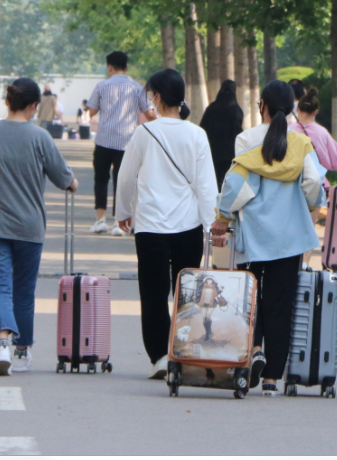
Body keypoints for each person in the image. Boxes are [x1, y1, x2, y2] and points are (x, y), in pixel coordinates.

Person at [0, 78, 77, 376]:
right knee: (24, 291)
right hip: (29, 228)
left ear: (7, 102)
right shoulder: (40, 138)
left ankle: (2, 344)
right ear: (34, 106)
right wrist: (73, 185)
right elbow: (65, 179)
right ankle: (22, 352)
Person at [212, 79, 324, 396]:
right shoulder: (300, 143)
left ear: (262, 104)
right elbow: (314, 183)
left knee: (250, 300)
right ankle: (274, 377)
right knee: (280, 304)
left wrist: (222, 217)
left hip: (254, 236)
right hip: (289, 238)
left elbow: (239, 187)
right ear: (291, 107)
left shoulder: (246, 140)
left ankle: (255, 350)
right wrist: (313, 206)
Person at [114, 68, 218, 379]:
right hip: (187, 227)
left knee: (154, 293)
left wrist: (123, 212)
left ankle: (160, 356)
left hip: (150, 228)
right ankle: (185, 352)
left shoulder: (144, 133)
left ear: (157, 98)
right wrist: (212, 223)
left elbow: (126, 177)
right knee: (188, 293)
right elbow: (206, 185)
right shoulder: (197, 134)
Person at [86, 51, 156, 236]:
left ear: (109, 67)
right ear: (126, 68)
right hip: (127, 143)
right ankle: (119, 223)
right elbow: (150, 113)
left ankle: (100, 220)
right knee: (123, 182)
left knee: (100, 180)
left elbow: (91, 111)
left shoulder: (101, 86)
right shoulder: (138, 88)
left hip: (103, 141)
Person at [289, 86, 337, 183]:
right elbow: (335, 155)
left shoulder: (288, 130)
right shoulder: (322, 132)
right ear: (315, 112)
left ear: (297, 109)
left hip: (292, 181)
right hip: (316, 182)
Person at [199, 80, 244, 189]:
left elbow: (202, 130)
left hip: (212, 154)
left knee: (214, 185)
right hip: (231, 156)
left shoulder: (211, 109)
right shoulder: (237, 111)